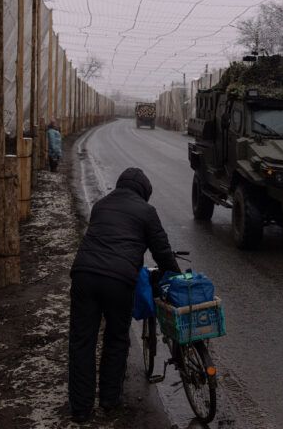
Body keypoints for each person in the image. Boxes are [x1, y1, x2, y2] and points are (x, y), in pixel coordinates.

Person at [68, 168, 179, 423]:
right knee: (116, 338)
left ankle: (81, 409)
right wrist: (175, 277)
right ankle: (109, 399)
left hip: (84, 275)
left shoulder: (101, 205)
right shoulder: (147, 211)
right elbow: (162, 252)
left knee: (82, 341)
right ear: (144, 192)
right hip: (118, 281)